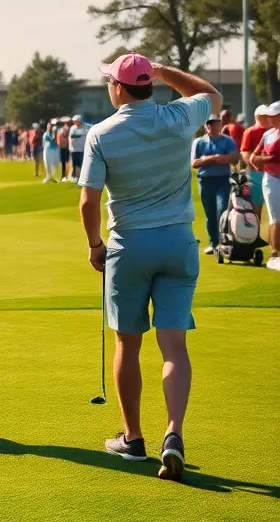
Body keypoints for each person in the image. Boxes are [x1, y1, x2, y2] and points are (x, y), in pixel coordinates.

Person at [77, 53, 221, 481]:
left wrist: (94, 245)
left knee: (129, 343)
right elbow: (209, 95)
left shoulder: (101, 133)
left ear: (119, 88)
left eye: (109, 81)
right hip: (178, 241)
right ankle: (173, 433)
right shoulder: (178, 115)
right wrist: (163, 71)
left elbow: (88, 200)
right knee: (174, 346)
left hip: (130, 244)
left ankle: (134, 438)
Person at [191, 116, 239, 254]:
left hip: (222, 180)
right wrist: (212, 158)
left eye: (215, 123)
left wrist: (218, 159)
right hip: (205, 181)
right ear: (207, 126)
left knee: (222, 209)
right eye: (210, 124)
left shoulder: (227, 141)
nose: (212, 126)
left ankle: (224, 241)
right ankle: (214, 242)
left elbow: (234, 157)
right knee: (210, 213)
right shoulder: (199, 142)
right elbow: (194, 163)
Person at [248, 101, 280, 270]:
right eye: (269, 115)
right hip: (273, 178)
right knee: (276, 217)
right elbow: (254, 157)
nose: (269, 118)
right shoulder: (268, 134)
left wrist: (264, 160)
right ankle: (275, 254)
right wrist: (263, 160)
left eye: (273, 115)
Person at [241, 104, 271, 221]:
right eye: (262, 116)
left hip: (272, 172)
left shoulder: (274, 131)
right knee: (256, 207)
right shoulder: (250, 132)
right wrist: (255, 163)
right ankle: (255, 235)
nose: (265, 118)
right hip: (255, 173)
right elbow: (245, 152)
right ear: (257, 117)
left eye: (266, 115)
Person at [68, 115, 87, 182]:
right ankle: (78, 178)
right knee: (75, 165)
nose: (75, 122)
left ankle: (83, 178)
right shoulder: (72, 128)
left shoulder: (84, 128)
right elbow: (71, 136)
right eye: (74, 121)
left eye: (76, 121)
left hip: (82, 149)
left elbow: (75, 135)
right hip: (74, 149)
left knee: (82, 164)